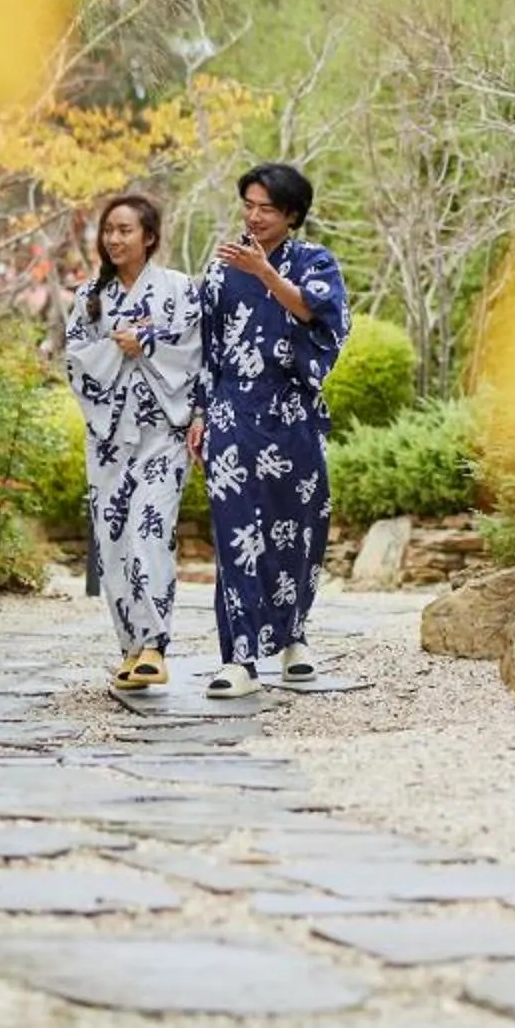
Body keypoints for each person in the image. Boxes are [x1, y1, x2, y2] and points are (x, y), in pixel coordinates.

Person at [188, 161, 348, 697]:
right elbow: (205, 348)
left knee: (297, 529)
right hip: (233, 413)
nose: (254, 217)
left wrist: (266, 274)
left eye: (266, 209)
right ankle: (238, 660)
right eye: (248, 206)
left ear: (292, 215)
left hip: (293, 413)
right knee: (236, 534)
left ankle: (293, 636)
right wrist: (200, 413)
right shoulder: (221, 268)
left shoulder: (315, 261)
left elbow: (320, 318)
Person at [60, 193, 199, 690]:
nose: (114, 239)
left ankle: (156, 645)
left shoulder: (182, 290)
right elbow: (76, 363)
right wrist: (116, 349)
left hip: (164, 434)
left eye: (125, 230)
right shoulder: (86, 298)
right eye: (109, 230)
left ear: (150, 237)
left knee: (149, 530)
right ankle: (131, 647)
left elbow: (198, 353)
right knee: (114, 541)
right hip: (109, 439)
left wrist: (149, 343)